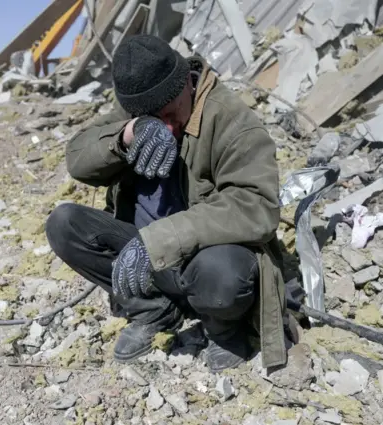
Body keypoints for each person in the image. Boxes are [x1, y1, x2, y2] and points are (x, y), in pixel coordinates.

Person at [46, 34, 290, 373]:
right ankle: (154, 309)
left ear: (186, 87)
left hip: (200, 258)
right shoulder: (140, 108)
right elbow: (77, 159)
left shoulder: (231, 120)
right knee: (64, 223)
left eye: (171, 114)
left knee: (223, 275)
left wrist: (157, 241)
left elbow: (257, 207)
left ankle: (223, 327)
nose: (167, 127)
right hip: (149, 259)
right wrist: (128, 133)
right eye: (152, 118)